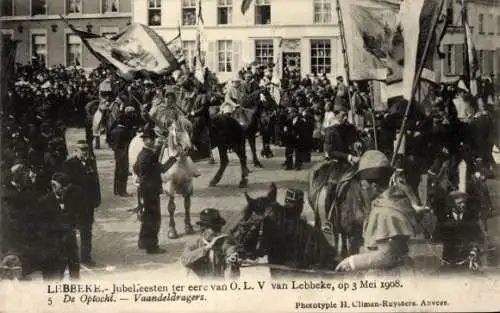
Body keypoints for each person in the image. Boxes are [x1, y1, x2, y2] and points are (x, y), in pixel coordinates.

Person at [335, 150, 422, 273]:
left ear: (374, 186)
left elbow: (387, 257)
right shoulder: (394, 200)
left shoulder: (385, 212)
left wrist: (352, 262)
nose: (362, 190)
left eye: (363, 186)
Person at [133, 127, 178, 254]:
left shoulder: (142, 153)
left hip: (144, 189)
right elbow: (162, 168)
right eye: (150, 139)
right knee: (154, 219)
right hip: (151, 191)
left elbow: (135, 168)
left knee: (147, 218)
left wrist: (144, 176)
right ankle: (152, 247)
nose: (152, 141)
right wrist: (174, 158)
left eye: (152, 139)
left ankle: (143, 242)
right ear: (146, 140)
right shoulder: (149, 155)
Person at [62, 140, 101, 267]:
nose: (84, 152)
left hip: (88, 204)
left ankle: (86, 257)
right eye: (81, 149)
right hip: (75, 204)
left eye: (86, 149)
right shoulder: (69, 164)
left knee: (86, 231)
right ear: (75, 151)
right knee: (71, 231)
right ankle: (70, 257)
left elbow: (96, 181)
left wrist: (97, 198)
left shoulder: (91, 162)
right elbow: (66, 184)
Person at [38, 172, 81, 280]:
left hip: (70, 246)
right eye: (62, 188)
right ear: (54, 186)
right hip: (54, 248)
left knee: (75, 277)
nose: (65, 190)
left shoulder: (72, 198)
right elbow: (42, 227)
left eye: (67, 188)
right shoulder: (43, 202)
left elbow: (77, 216)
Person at [1, 163, 41, 278]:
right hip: (15, 228)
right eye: (25, 175)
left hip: (26, 226)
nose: (27, 177)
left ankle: (27, 268)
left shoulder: (24, 189)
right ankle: (20, 272)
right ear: (18, 176)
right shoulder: (7, 193)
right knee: (18, 250)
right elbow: (11, 214)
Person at [181, 208, 239, 279]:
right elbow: (184, 260)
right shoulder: (194, 243)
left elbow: (230, 251)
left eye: (218, 229)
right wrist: (206, 248)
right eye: (214, 229)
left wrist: (233, 262)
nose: (218, 233)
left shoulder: (224, 242)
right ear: (203, 230)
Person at [440, 191, 484, 267]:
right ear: (452, 204)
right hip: (448, 260)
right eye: (459, 203)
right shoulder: (444, 218)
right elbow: (438, 238)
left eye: (464, 203)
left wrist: (474, 250)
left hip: (467, 259)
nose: (463, 205)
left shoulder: (471, 218)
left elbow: (478, 237)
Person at [108, 113, 136, 197]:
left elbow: (110, 142)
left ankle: (116, 190)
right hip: (124, 153)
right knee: (123, 172)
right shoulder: (126, 131)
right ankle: (123, 191)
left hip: (117, 153)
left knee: (117, 171)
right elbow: (132, 140)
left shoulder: (113, 130)